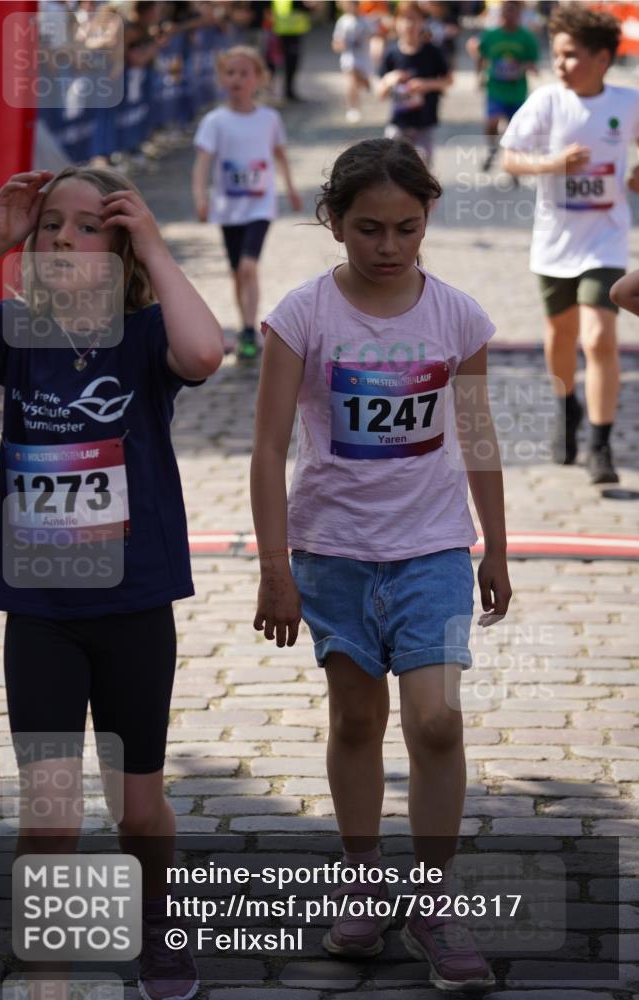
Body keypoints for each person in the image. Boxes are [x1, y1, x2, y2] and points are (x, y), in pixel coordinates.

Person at [250, 138, 511, 992]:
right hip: (332, 555)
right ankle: (363, 877)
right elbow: (266, 447)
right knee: (356, 721)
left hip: (433, 548)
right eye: (368, 229)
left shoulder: (458, 317)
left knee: (435, 720)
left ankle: (433, 899)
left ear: (427, 218)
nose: (389, 245)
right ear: (333, 223)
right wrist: (275, 568)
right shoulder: (301, 315)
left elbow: (476, 436)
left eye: (406, 227)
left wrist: (495, 546)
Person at [0, 166, 224, 1000]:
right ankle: (46, 969)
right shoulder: (15, 332)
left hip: (133, 604)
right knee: (49, 813)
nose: (62, 241)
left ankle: (159, 918)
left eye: (88, 227)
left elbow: (205, 351)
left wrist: (153, 234)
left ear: (120, 249)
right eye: (51, 227)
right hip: (41, 609)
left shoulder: (145, 337)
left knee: (137, 810)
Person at [501, 3, 639, 483]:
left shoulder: (627, 103)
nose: (560, 65)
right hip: (554, 242)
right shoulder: (545, 102)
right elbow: (510, 159)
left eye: (571, 55)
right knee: (560, 336)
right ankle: (566, 408)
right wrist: (550, 164)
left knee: (599, 336)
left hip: (606, 240)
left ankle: (601, 447)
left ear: (603, 58)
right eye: (557, 55)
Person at [193, 46, 302, 361]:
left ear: (258, 79)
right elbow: (202, 163)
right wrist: (201, 197)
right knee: (235, 271)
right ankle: (244, 326)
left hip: (260, 205)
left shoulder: (269, 118)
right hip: (228, 207)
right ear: (221, 78)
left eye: (244, 73)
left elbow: (280, 154)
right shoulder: (215, 121)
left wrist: (291, 188)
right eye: (230, 72)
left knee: (248, 266)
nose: (236, 79)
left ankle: (248, 327)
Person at [467, 0, 540, 172]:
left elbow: (534, 64)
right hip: (495, 88)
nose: (508, 16)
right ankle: (492, 148)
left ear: (519, 14)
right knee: (491, 121)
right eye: (505, 12)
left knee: (513, 127)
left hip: (516, 91)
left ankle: (512, 160)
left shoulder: (526, 37)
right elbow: (480, 54)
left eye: (512, 12)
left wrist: (521, 67)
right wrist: (478, 77)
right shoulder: (492, 35)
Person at [377, 1, 452, 167]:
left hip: (425, 122)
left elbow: (448, 81)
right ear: (395, 22)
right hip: (399, 122)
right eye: (404, 19)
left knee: (423, 168)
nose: (408, 24)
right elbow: (379, 94)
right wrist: (389, 80)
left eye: (414, 19)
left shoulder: (432, 51)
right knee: (390, 166)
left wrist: (426, 84)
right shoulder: (391, 53)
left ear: (423, 22)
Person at [332, 0, 374, 124]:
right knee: (350, 81)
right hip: (349, 58)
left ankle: (364, 86)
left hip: (363, 58)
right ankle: (353, 108)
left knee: (362, 83)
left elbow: (375, 33)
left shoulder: (365, 20)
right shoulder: (343, 22)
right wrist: (341, 45)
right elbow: (336, 42)